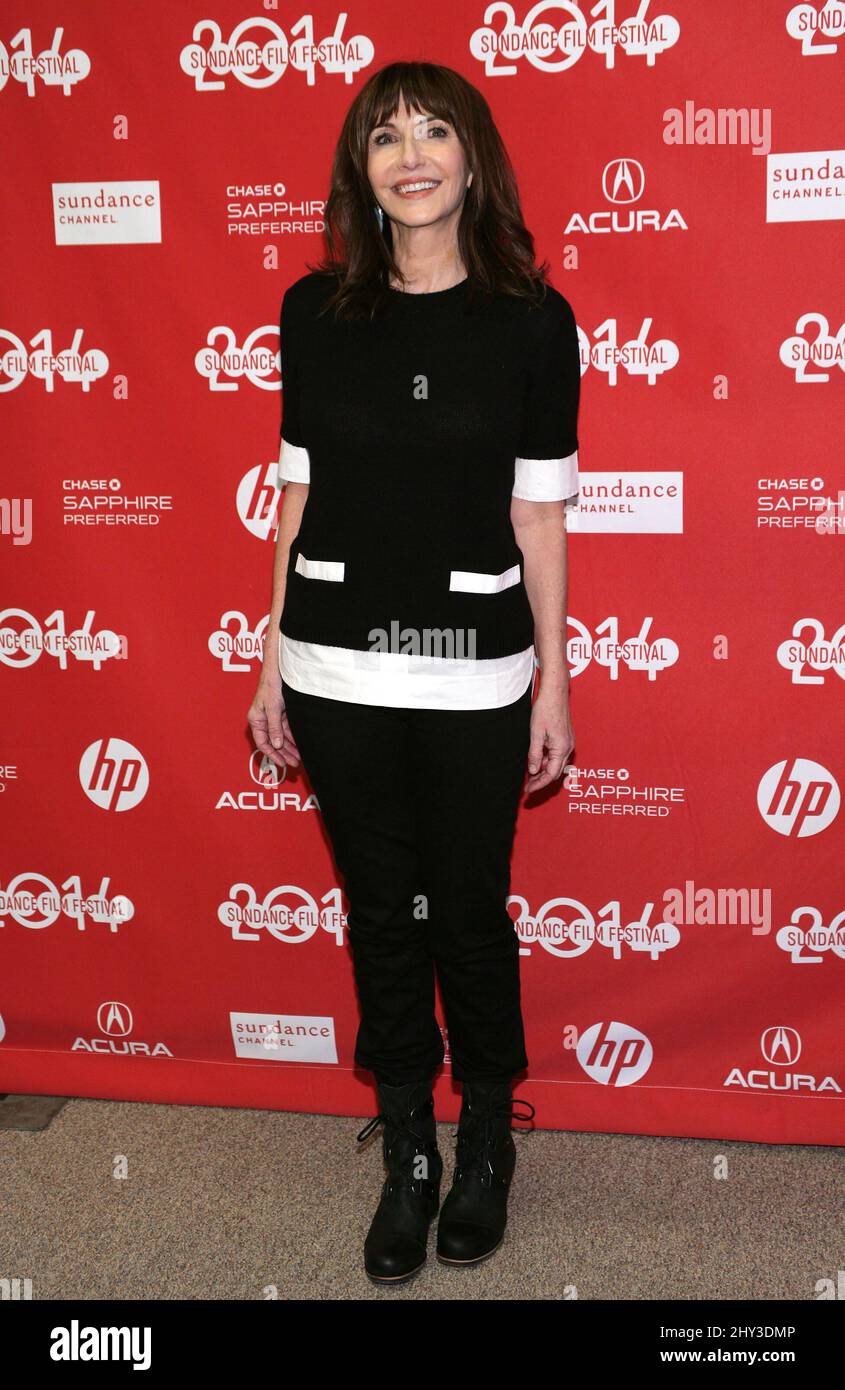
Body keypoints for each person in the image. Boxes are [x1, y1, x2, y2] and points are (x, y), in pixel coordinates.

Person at [247, 60, 581, 1285]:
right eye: (384, 136)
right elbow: (296, 493)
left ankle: (486, 1135)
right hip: (332, 661)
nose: (410, 153)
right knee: (380, 914)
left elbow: (539, 518)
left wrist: (552, 681)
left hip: (471, 670)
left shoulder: (532, 322)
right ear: (362, 171)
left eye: (433, 129)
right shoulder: (313, 310)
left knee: (471, 916)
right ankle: (410, 1151)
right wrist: (267, 660)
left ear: (471, 154)